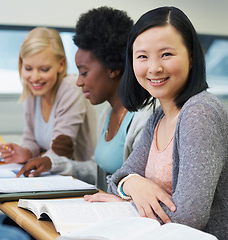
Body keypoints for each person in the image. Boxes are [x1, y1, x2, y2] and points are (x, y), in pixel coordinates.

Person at [85, 6, 228, 239]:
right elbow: (118, 178)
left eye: (166, 54)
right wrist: (132, 183)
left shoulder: (200, 113)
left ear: (191, 57)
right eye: (142, 56)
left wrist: (126, 204)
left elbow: (189, 217)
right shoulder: (158, 116)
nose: (154, 67)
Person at [17, 7, 153, 189]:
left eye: (84, 72)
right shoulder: (108, 114)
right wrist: (52, 164)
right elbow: (97, 170)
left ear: (113, 68)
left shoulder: (144, 117)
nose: (79, 82)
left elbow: (141, 186)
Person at [0, 27, 97, 167]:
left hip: (79, 177)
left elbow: (62, 151)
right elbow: (30, 140)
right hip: (52, 173)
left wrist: (37, 161)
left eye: (44, 69)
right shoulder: (32, 90)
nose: (35, 78)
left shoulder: (70, 88)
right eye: (28, 68)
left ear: (61, 65)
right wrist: (25, 152)